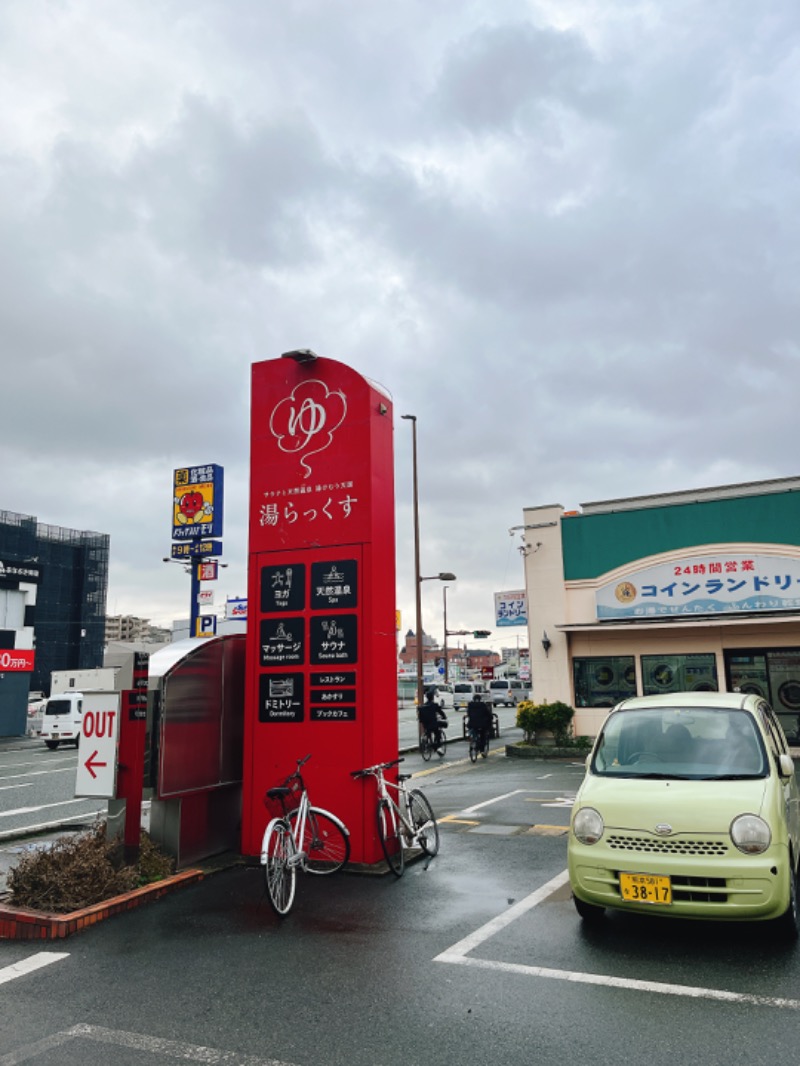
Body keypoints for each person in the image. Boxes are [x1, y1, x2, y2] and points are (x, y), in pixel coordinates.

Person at [466, 691, 493, 758]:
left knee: (473, 731)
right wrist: (491, 717)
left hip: (472, 723)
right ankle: (482, 750)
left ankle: (473, 741)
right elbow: (488, 714)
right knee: (483, 735)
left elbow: (468, 714)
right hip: (481, 724)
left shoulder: (470, 705)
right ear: (480, 699)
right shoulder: (483, 705)